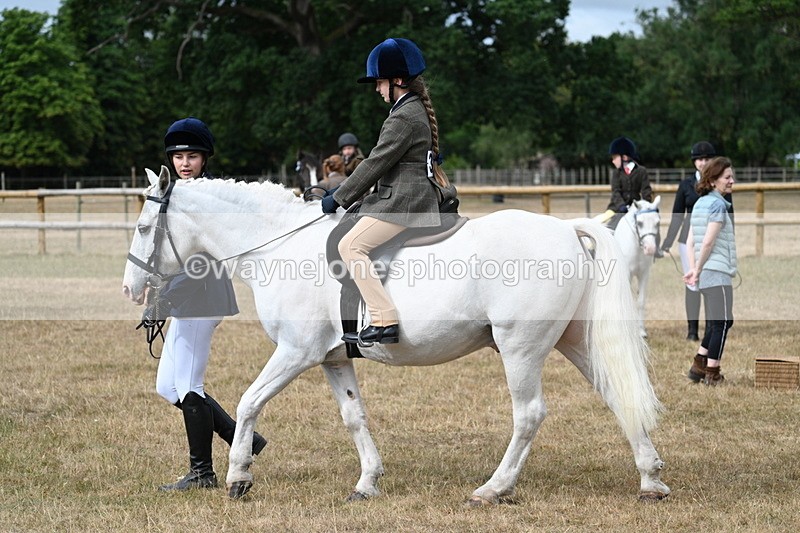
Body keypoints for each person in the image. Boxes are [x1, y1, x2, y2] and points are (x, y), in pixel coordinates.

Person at [155, 117, 267, 491]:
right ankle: (243, 437)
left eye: (192, 156)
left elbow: (204, 261)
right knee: (168, 388)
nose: (184, 163)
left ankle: (202, 472)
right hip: (184, 300)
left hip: (202, 298)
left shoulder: (207, 198)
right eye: (178, 157)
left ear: (205, 159)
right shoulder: (175, 194)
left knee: (189, 386)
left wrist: (164, 298)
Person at [320, 37, 453, 345]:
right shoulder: (411, 109)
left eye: (379, 82)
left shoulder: (403, 117)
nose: (377, 89)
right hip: (406, 196)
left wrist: (338, 197)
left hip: (406, 201)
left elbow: (375, 164)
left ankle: (384, 319)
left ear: (397, 80)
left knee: (350, 247)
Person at [661, 141, 734, 341]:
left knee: (712, 285)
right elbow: (677, 215)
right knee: (693, 284)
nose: (703, 163)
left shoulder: (721, 183)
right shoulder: (685, 185)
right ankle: (692, 330)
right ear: (694, 162)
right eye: (700, 159)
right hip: (689, 241)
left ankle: (712, 327)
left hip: (714, 239)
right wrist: (668, 241)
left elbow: (729, 214)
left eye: (707, 159)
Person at [684, 156, 737, 386]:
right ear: (714, 180)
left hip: (706, 273)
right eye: (727, 177)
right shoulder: (716, 205)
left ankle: (699, 364)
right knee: (722, 322)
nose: (732, 181)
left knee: (719, 322)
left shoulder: (699, 204)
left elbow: (689, 243)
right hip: (716, 271)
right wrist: (696, 270)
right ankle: (712, 373)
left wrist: (695, 269)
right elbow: (706, 242)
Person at [598, 136, 653, 231]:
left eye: (615, 157)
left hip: (635, 208)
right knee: (607, 229)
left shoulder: (641, 171)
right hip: (616, 209)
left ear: (624, 157)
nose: (612, 160)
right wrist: (621, 206)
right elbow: (615, 192)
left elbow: (646, 191)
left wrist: (645, 205)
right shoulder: (616, 173)